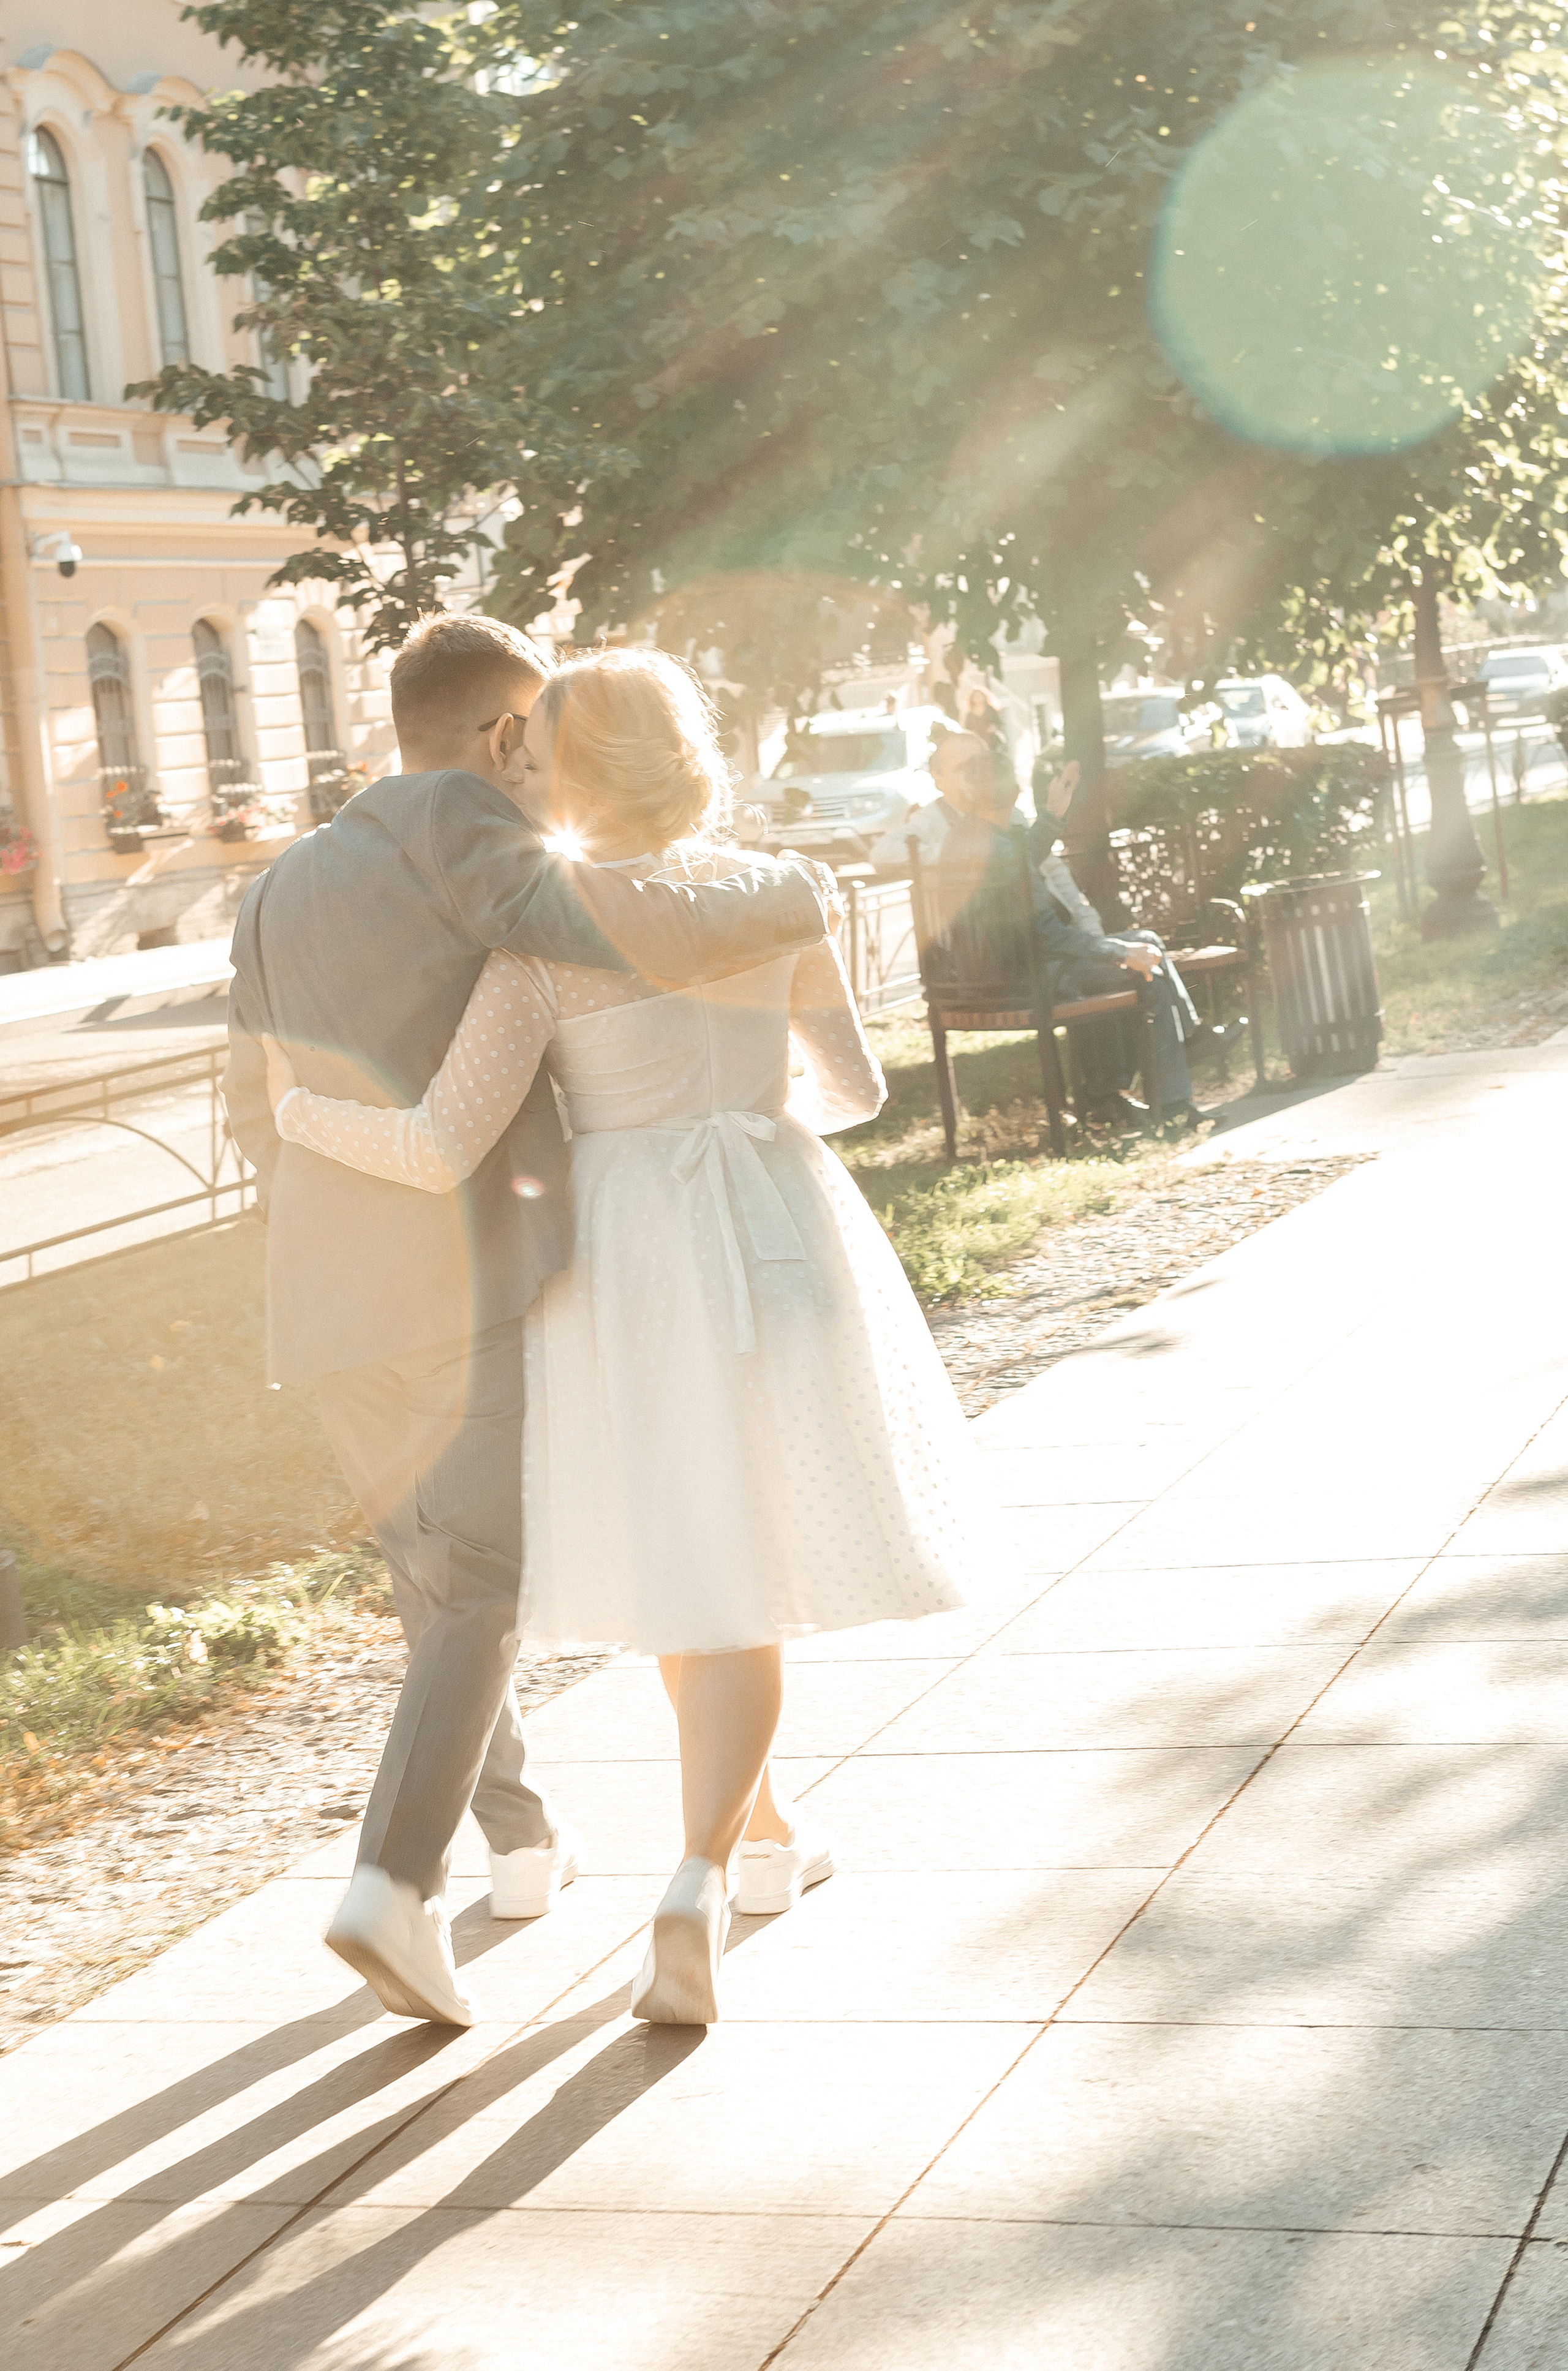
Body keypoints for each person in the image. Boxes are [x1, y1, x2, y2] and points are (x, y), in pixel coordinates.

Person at [258, 647, 974, 2028]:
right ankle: (721, 1861)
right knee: (745, 1558)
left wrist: (305, 1116)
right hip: (777, 1226)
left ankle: (723, 1856)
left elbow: (433, 1145)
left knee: (694, 1555)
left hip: (629, 1264)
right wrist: (753, 1132)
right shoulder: (784, 893)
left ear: (552, 771)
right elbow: (858, 1087)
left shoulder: (543, 942)